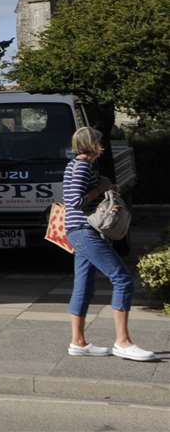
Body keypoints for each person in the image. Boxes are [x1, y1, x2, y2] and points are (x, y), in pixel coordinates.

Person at [63, 127, 154, 361]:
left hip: (79, 230)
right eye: (99, 142)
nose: (102, 146)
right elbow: (74, 201)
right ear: (91, 143)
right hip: (84, 230)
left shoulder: (77, 164)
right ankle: (122, 342)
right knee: (122, 279)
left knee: (84, 286)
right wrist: (100, 190)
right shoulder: (82, 165)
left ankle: (78, 342)